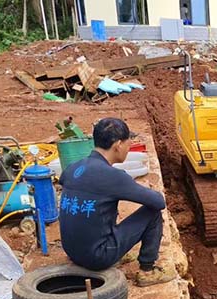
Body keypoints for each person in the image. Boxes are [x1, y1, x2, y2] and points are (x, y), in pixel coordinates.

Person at [58, 117, 174, 287]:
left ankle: (113, 247)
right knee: (152, 213)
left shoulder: (73, 167)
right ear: (118, 144)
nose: (129, 148)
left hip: (72, 252)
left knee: (100, 207)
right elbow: (158, 202)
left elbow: (68, 183)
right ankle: (147, 271)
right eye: (128, 143)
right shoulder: (113, 177)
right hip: (97, 257)